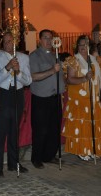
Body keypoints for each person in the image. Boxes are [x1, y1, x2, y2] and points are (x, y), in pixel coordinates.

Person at [0, 32, 32, 178]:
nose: (8, 44)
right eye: (6, 42)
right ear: (3, 43)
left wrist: (18, 72)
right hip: (3, 96)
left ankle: (14, 163)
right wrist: (8, 68)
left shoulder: (24, 58)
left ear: (15, 42)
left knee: (15, 132)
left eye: (11, 41)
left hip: (17, 95)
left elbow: (28, 81)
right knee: (1, 132)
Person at [62, 35, 101, 161]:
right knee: (81, 126)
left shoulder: (96, 61)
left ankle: (92, 149)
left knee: (92, 125)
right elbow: (69, 79)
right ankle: (82, 150)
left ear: (90, 46)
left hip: (93, 99)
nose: (83, 47)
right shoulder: (73, 60)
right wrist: (84, 78)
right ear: (77, 46)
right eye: (81, 45)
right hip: (79, 100)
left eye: (86, 45)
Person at [29, 29, 65, 169]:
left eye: (51, 38)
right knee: (40, 130)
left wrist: (62, 92)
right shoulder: (34, 56)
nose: (49, 41)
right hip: (41, 99)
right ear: (40, 40)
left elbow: (60, 77)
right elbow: (33, 77)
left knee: (54, 129)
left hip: (55, 98)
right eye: (46, 38)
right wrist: (51, 70)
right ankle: (36, 158)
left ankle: (49, 155)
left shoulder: (55, 55)